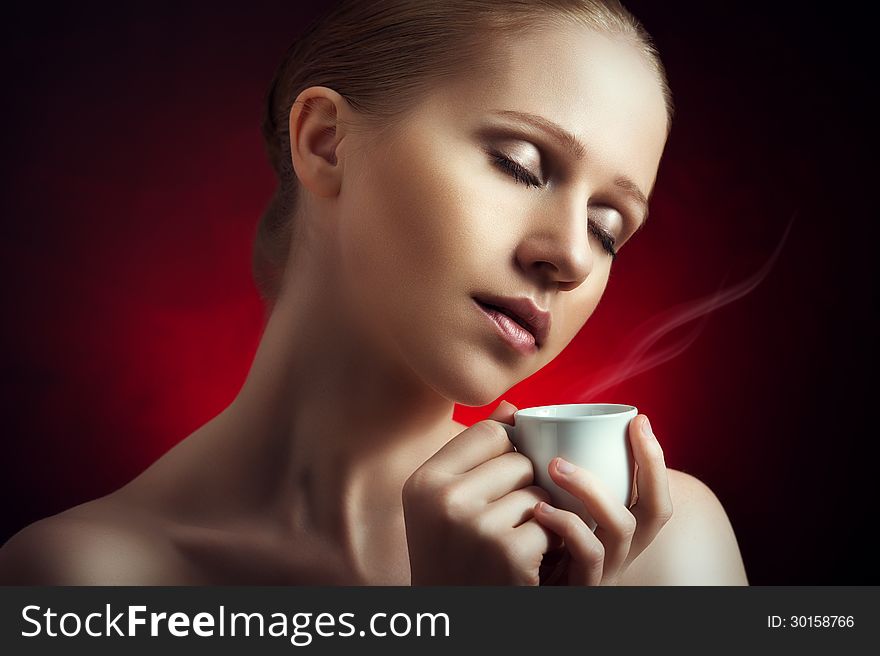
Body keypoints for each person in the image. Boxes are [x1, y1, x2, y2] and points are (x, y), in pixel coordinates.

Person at [0, 0, 748, 585]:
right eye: (521, 164)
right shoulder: (78, 581)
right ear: (327, 141)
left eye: (609, 227)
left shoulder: (654, 550)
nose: (571, 257)